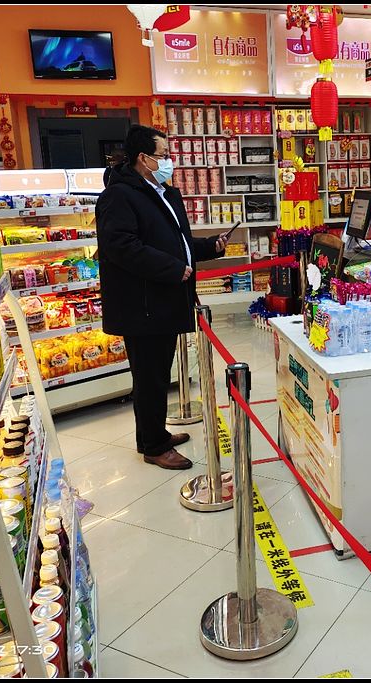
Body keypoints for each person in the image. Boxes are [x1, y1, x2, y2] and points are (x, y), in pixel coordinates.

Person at [97, 125, 230, 470]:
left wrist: (209, 247)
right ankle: (154, 447)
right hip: (142, 304)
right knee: (150, 377)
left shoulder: (164, 193)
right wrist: (171, 268)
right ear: (143, 158)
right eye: (164, 155)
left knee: (157, 374)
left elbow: (177, 242)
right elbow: (121, 247)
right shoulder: (119, 196)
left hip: (163, 299)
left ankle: (152, 434)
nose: (169, 161)